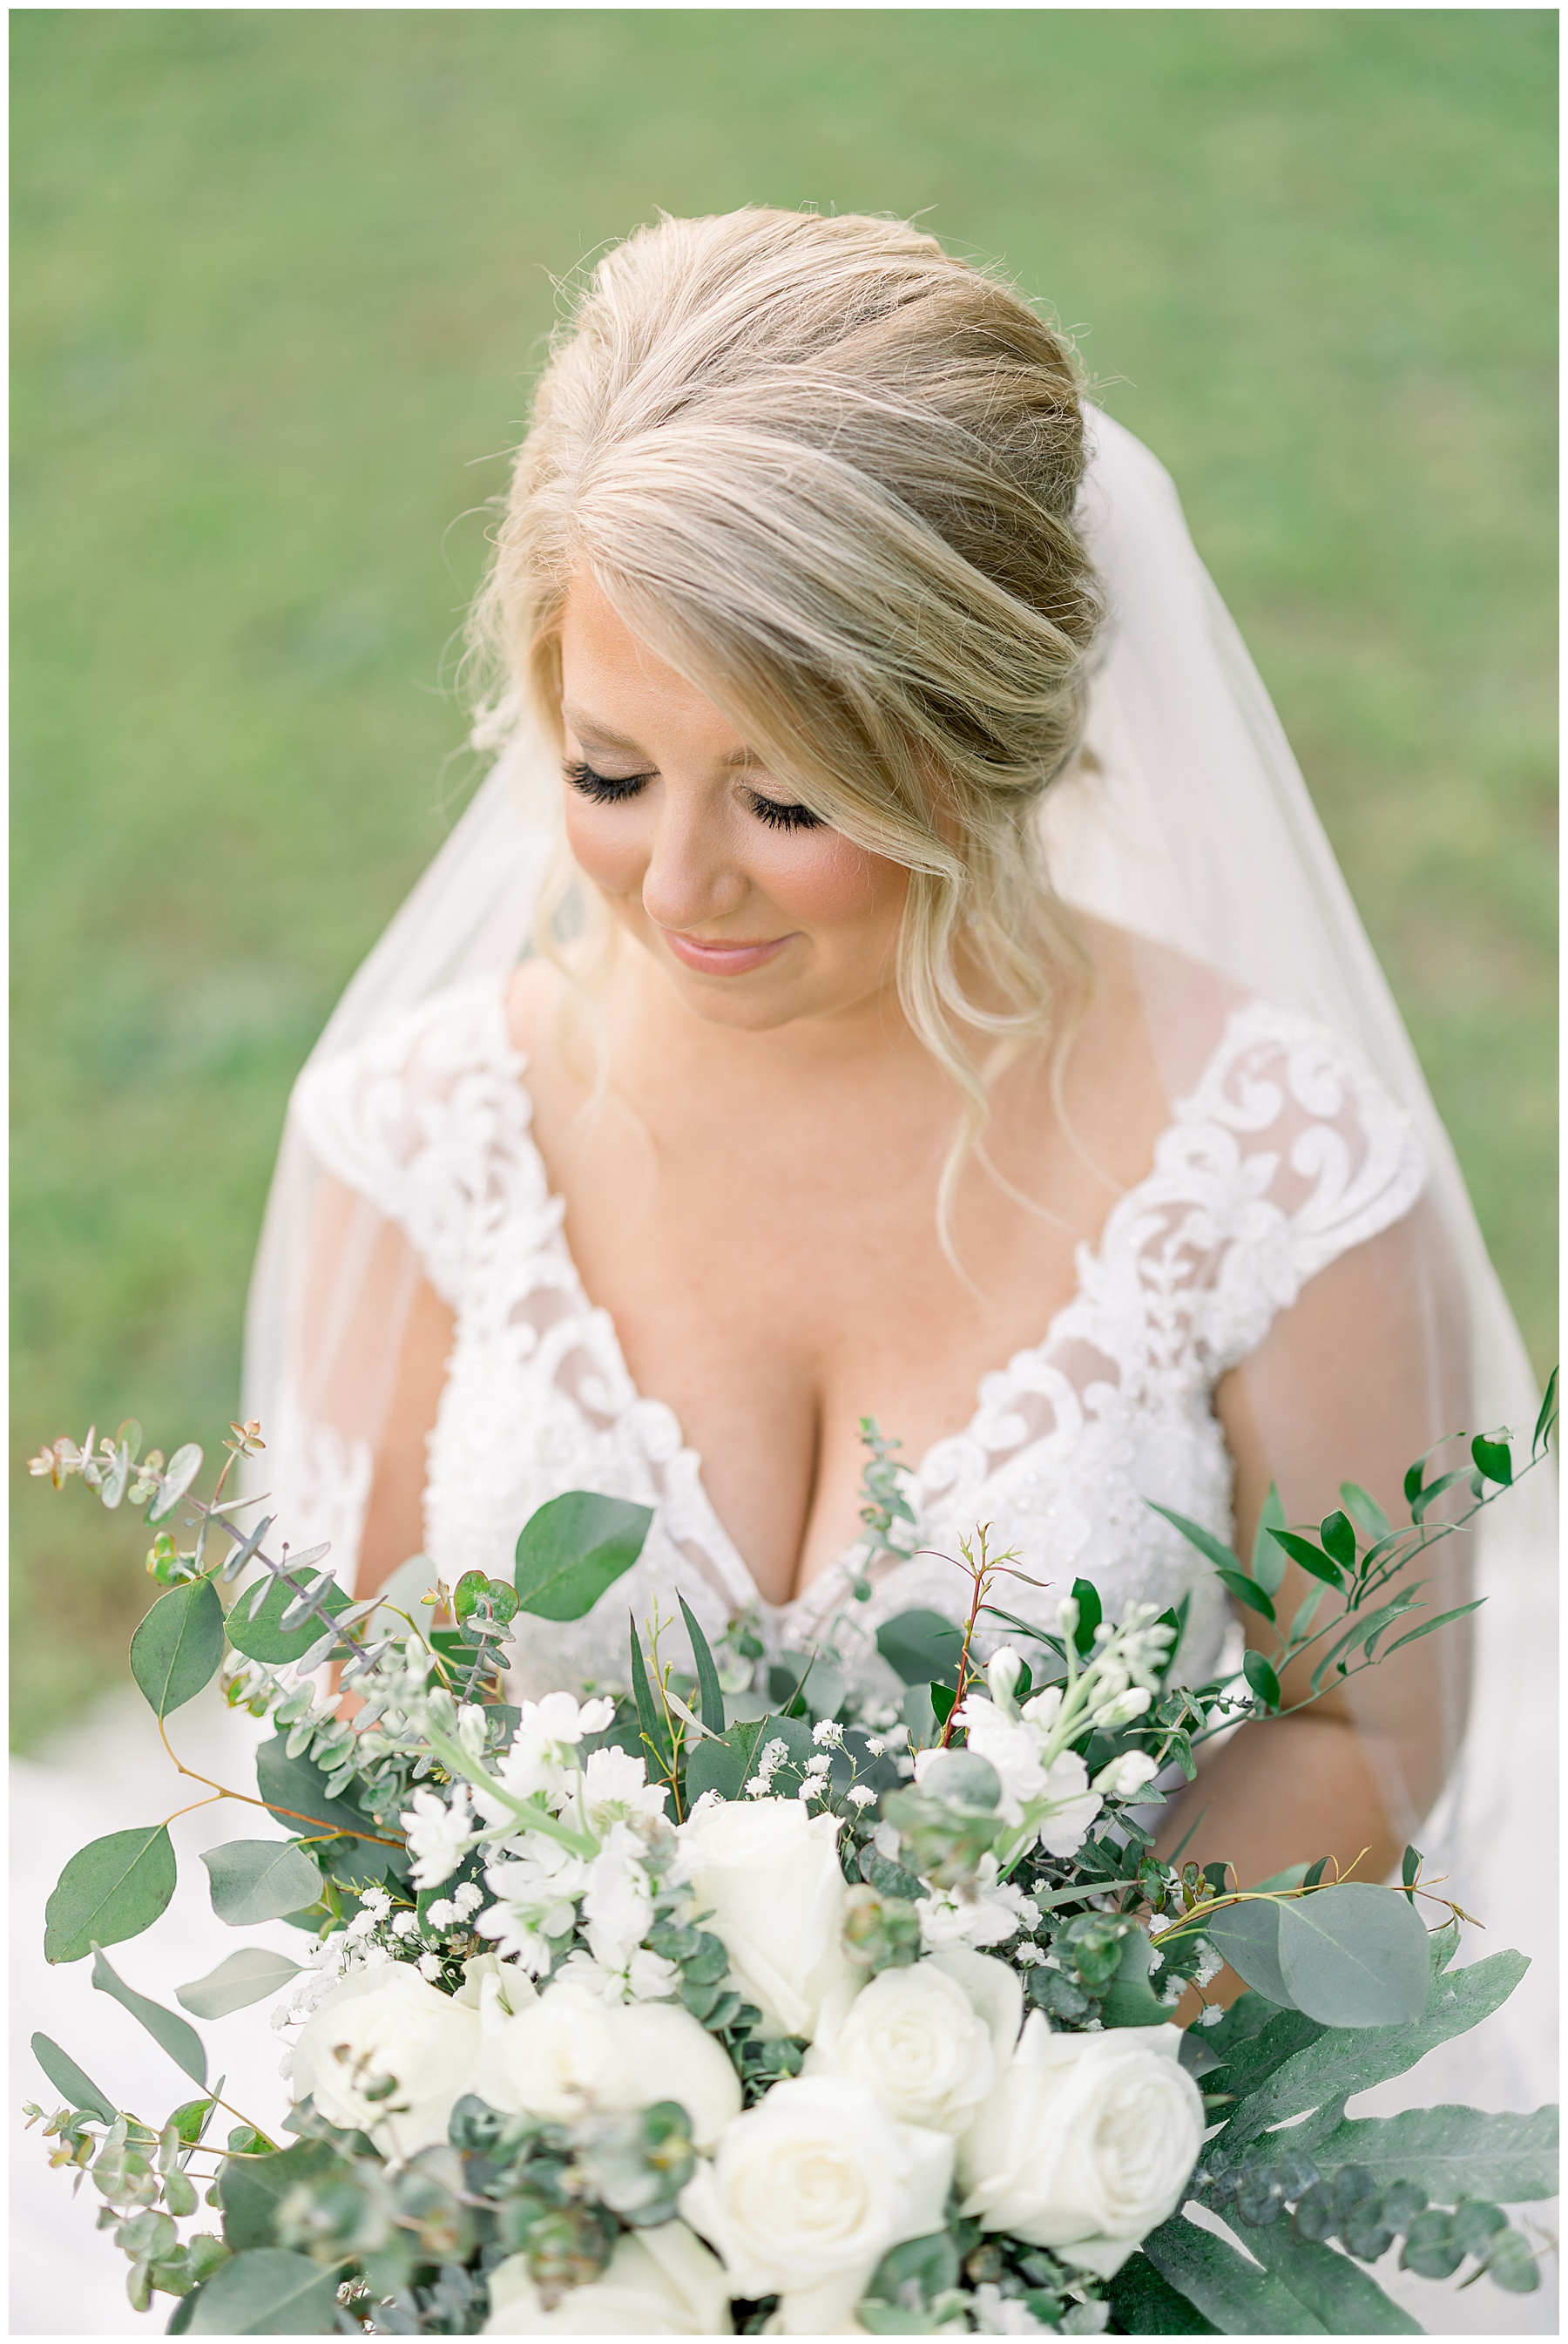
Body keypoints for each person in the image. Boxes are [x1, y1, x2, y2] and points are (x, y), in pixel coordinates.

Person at [246, 210, 1551, 2120]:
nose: (677, 883)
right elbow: (348, 1712)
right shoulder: (423, 1136)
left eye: (787, 798)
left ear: (983, 743)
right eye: (608, 774)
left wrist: (975, 2124)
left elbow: (1362, 1722)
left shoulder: (1275, 1162)